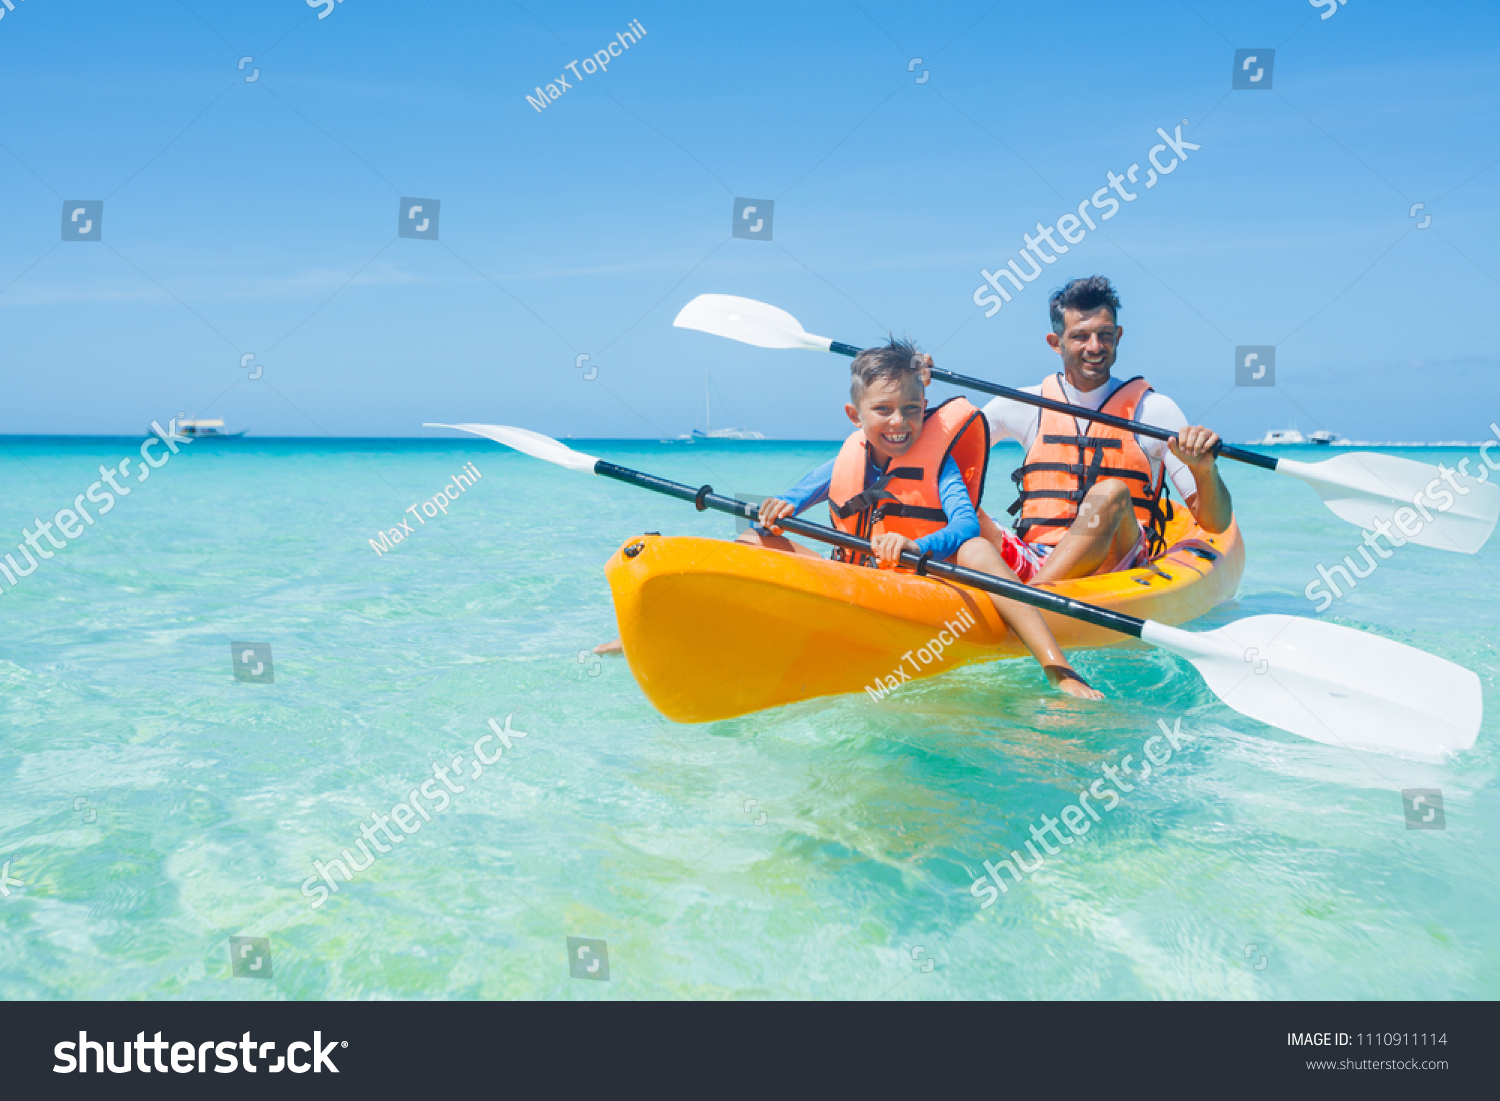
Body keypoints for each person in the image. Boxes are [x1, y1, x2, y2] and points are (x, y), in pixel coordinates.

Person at [738, 338, 1102, 700]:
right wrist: (772, 512)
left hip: (924, 581)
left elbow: (965, 526)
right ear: (855, 415)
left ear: (925, 407)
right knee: (751, 540)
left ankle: (1059, 669)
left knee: (976, 548)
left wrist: (916, 546)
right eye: (883, 409)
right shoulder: (847, 460)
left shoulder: (940, 465)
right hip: (858, 580)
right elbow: (789, 502)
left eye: (911, 409)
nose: (899, 421)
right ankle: (767, 649)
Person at [972, 276, 1232, 585]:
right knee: (960, 508)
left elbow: (1215, 523)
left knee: (1111, 494)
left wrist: (1205, 470)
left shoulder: (1156, 411)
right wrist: (914, 389)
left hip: (1116, 565)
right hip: (1036, 556)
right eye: (1081, 336)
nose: (1095, 347)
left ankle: (1032, 602)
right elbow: (945, 452)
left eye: (1104, 335)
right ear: (1056, 343)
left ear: (1119, 336)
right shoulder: (1021, 404)